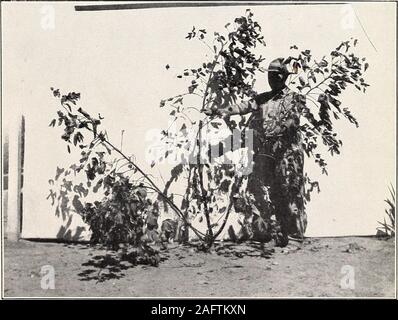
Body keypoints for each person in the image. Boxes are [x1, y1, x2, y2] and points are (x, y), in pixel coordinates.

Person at [205, 58, 307, 247]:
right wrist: (219, 111)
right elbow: (242, 107)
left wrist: (278, 131)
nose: (271, 79)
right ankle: (277, 234)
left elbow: (292, 121)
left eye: (275, 76)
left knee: (290, 192)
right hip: (269, 153)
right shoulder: (263, 98)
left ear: (283, 76)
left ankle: (294, 237)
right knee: (273, 192)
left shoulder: (295, 98)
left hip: (288, 154)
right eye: (269, 76)